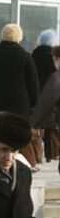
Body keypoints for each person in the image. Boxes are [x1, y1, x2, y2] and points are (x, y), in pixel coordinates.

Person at [0, 24, 42, 164]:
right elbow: (33, 83)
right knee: (19, 135)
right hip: (19, 105)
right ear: (19, 37)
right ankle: (25, 163)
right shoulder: (25, 57)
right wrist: (34, 105)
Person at [33, 31, 60, 161]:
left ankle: (37, 155)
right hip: (53, 92)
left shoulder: (33, 55)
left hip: (37, 93)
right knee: (52, 127)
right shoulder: (54, 57)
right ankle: (52, 154)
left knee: (37, 126)